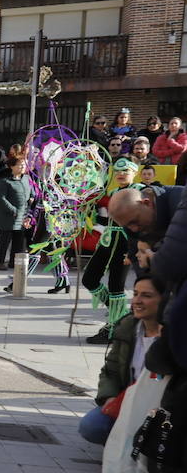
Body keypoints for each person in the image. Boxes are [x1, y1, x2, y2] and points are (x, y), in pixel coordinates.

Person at [79, 275, 164, 446]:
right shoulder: (127, 327)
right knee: (92, 426)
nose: (137, 301)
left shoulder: (171, 335)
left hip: (161, 407)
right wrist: (109, 397)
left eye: (146, 296)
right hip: (128, 401)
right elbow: (110, 370)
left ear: (165, 299)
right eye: (135, 294)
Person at [84, 157, 142, 344]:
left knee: (116, 285)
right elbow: (108, 221)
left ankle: (114, 328)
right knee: (89, 278)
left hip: (126, 243)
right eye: (117, 170)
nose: (121, 174)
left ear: (134, 171)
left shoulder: (140, 191)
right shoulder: (114, 192)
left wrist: (133, 250)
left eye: (125, 170)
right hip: (108, 240)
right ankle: (121, 315)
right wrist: (87, 213)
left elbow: (142, 223)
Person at [0, 153, 33, 273]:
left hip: (22, 215)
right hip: (7, 216)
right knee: (5, 240)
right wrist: (13, 210)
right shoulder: (4, 181)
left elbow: (32, 191)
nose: (22, 167)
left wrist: (32, 197)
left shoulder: (27, 179)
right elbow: (0, 198)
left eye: (24, 165)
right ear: (12, 166)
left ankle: (13, 262)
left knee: (19, 240)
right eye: (20, 165)